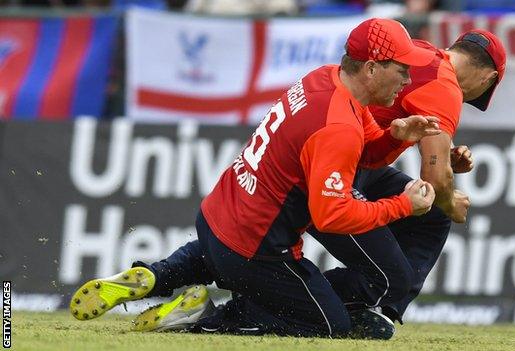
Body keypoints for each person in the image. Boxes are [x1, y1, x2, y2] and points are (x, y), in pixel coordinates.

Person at [68, 18, 442, 339]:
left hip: (217, 220)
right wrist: (402, 205)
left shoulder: (324, 79)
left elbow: (362, 150)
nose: (408, 79)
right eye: (402, 69)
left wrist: (395, 138)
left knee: (224, 254)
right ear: (372, 68)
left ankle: (152, 276)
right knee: (329, 323)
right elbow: (332, 216)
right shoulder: (337, 126)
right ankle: (205, 317)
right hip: (254, 249)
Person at [308, 29, 507, 327]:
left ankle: (377, 309)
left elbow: (397, 117)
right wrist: (451, 201)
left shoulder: (422, 51)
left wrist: (445, 153)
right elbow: (436, 180)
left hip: (341, 156)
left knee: (428, 218)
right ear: (488, 79)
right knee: (398, 268)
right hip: (334, 169)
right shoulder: (446, 87)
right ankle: (301, 301)